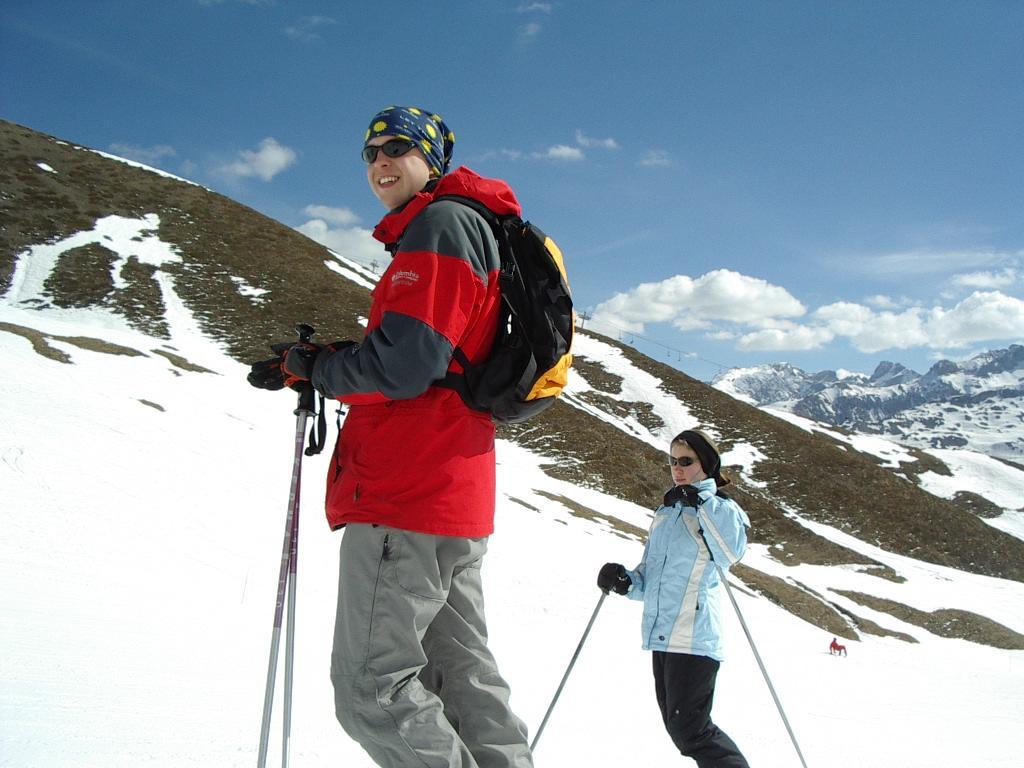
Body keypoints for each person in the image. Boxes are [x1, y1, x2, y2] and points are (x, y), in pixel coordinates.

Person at [248, 105, 533, 768]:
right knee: (464, 682)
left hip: (406, 492)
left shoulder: (438, 226)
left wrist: (319, 367)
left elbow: (405, 368)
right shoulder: (470, 225)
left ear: (431, 158)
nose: (380, 162)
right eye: (370, 153)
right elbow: (432, 358)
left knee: (373, 691)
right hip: (450, 494)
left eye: (397, 148)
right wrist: (326, 365)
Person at [598, 429, 751, 767]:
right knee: (681, 730)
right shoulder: (666, 513)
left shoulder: (722, 508)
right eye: (673, 461)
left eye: (686, 461)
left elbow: (732, 551)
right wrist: (625, 581)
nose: (677, 468)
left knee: (691, 730)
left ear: (707, 465)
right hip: (663, 636)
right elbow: (650, 578)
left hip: (694, 635)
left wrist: (702, 502)